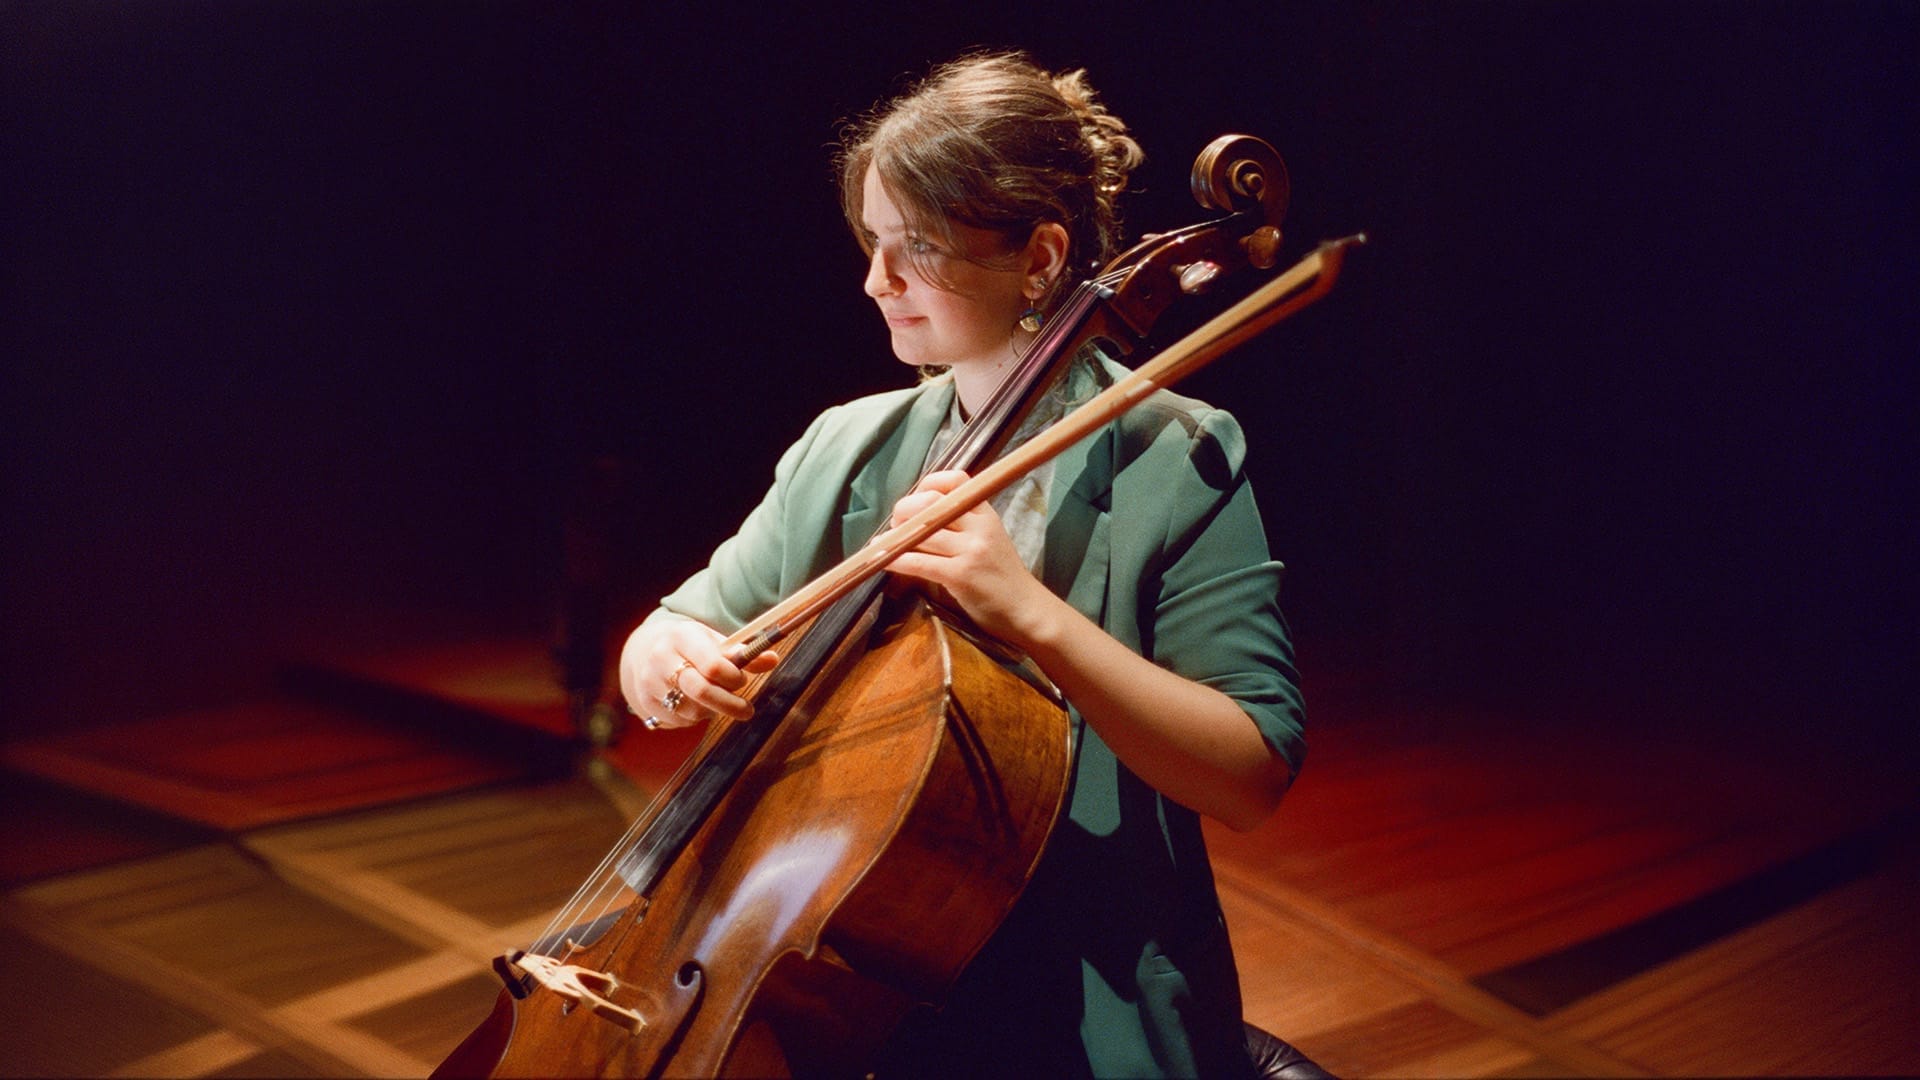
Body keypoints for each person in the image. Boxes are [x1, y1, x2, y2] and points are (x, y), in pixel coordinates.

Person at [617, 51, 1310, 1078]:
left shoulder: (1180, 452)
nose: (875, 280)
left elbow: (1251, 772)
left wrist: (1030, 611)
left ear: (1040, 259)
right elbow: (670, 631)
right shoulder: (849, 443)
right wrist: (671, 663)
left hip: (1083, 990)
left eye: (915, 248)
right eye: (872, 242)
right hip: (855, 969)